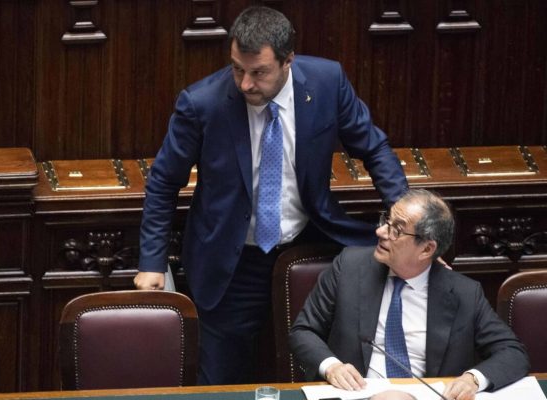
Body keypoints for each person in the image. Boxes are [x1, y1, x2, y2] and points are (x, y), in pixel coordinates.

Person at [135, 6, 408, 384]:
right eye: (236, 69)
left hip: (307, 246)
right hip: (231, 261)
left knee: (324, 368)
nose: (245, 84)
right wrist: (151, 262)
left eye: (258, 72)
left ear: (288, 61)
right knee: (220, 381)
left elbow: (375, 150)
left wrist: (407, 221)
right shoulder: (202, 104)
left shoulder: (327, 82)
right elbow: (163, 183)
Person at [289, 189, 529, 400]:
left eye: (396, 230)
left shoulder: (464, 293)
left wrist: (473, 379)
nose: (381, 231)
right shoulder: (349, 267)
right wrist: (332, 367)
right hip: (356, 395)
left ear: (426, 249)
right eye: (386, 220)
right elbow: (304, 331)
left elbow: (512, 352)